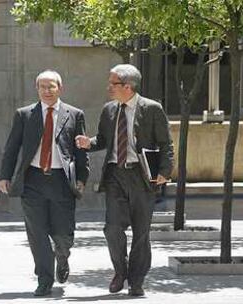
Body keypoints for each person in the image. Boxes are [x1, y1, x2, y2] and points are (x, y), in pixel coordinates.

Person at [76, 64, 173, 297]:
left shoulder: (152, 109)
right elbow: (104, 139)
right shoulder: (109, 110)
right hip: (115, 175)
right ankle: (121, 271)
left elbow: (165, 143)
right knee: (112, 228)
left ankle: (137, 280)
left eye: (113, 83)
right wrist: (89, 142)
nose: (109, 87)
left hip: (141, 176)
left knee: (141, 232)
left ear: (127, 86)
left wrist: (165, 171)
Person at [0, 70, 89, 296]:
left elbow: (81, 151)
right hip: (33, 180)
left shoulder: (75, 114)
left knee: (63, 234)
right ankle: (44, 279)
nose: (47, 91)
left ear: (60, 88)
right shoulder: (24, 114)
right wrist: (5, 176)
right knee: (37, 233)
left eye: (52, 87)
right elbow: (12, 148)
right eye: (43, 87)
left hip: (62, 181)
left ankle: (63, 256)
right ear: (37, 89)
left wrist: (82, 178)